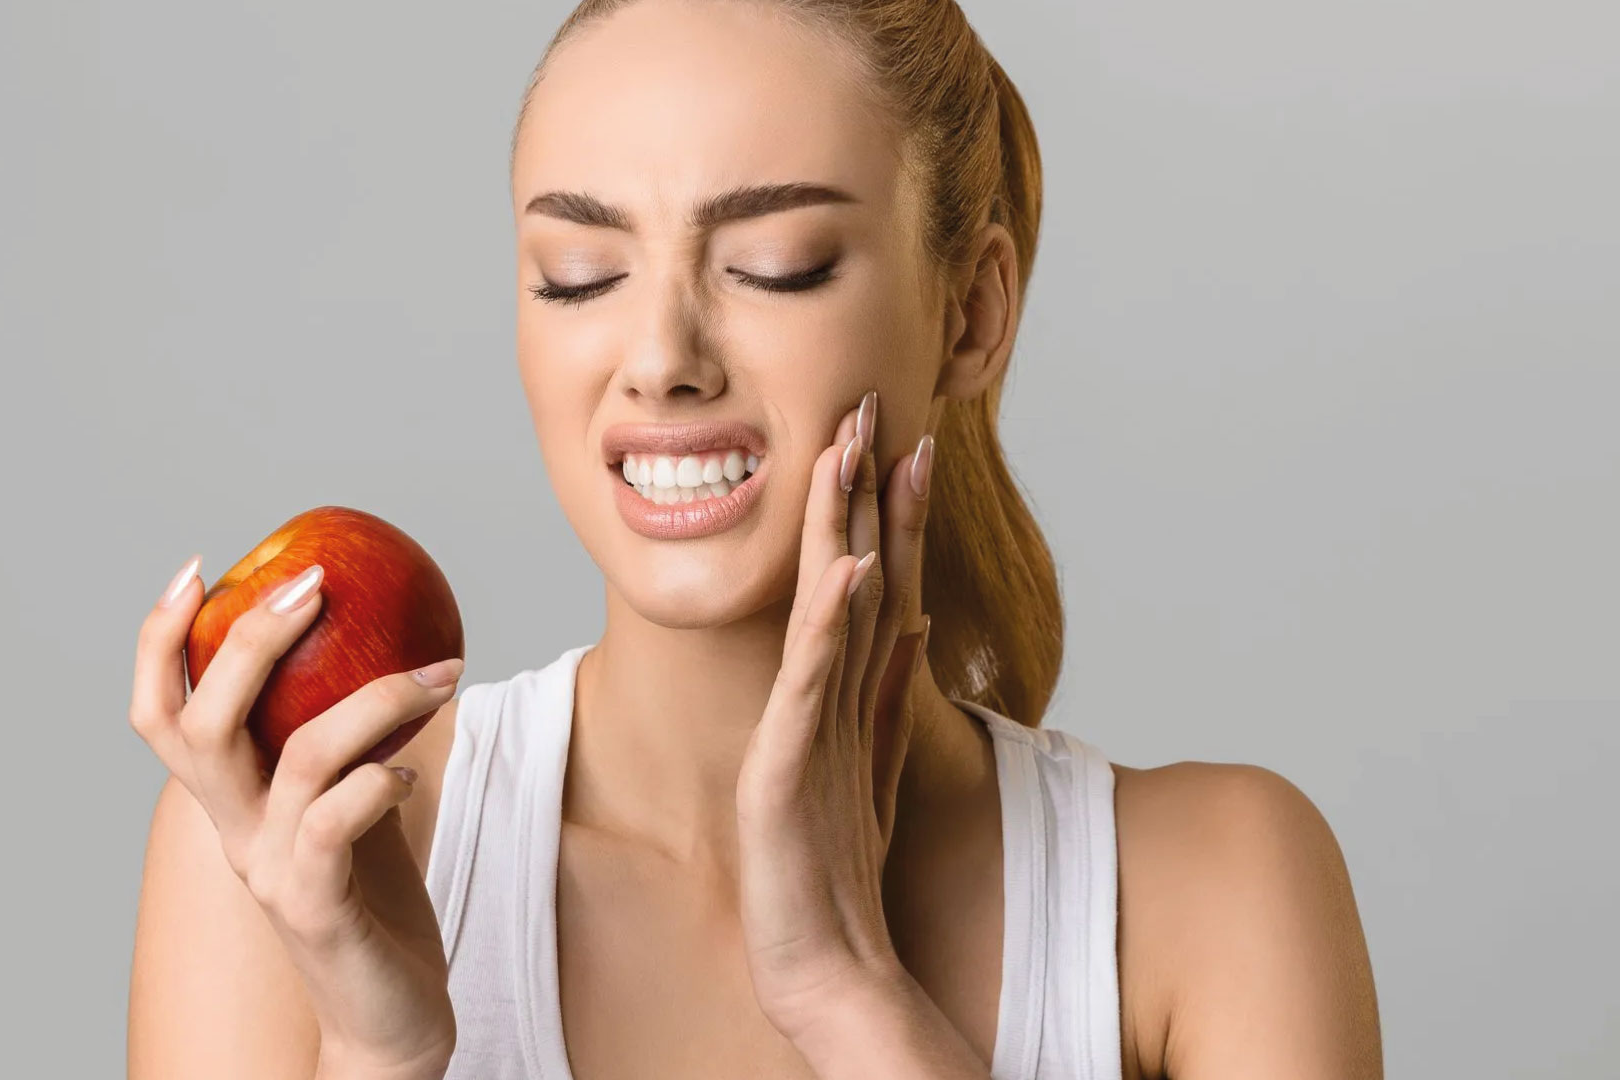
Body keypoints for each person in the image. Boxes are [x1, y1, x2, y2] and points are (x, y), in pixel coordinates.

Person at [125, 1, 1384, 1077]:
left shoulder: (1217, 891)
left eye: (776, 265)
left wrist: (851, 991)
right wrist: (378, 1056)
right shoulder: (300, 853)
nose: (663, 358)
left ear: (974, 312)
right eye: (577, 274)